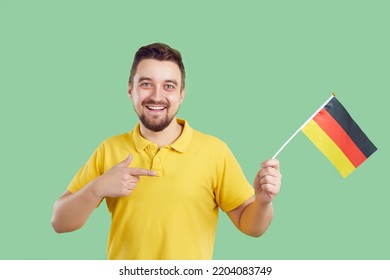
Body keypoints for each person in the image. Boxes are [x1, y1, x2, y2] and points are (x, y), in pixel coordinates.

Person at [51, 43, 282, 260]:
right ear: (131, 90)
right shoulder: (109, 149)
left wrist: (262, 203)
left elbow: (250, 226)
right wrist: (97, 188)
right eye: (146, 83)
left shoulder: (215, 151)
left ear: (181, 93)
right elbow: (59, 222)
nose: (157, 96)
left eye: (168, 86)